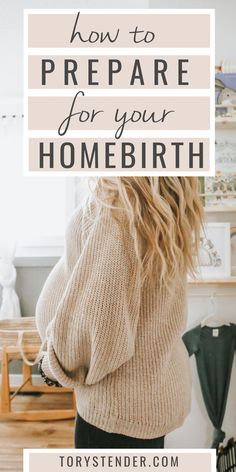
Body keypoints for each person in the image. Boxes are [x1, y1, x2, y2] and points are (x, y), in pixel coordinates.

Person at [35, 177, 204, 448]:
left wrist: (51, 367)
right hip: (149, 397)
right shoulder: (161, 198)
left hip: (116, 409)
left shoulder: (119, 203)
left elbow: (100, 327)